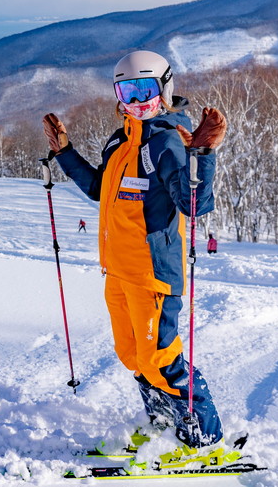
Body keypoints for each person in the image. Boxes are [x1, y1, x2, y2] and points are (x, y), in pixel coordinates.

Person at [42, 50, 230, 462]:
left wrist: (201, 155)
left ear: (165, 87)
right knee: (133, 356)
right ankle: (164, 424)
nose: (138, 98)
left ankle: (205, 438)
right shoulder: (122, 139)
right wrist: (65, 153)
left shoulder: (165, 140)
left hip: (152, 274)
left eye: (146, 89)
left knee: (161, 359)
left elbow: (193, 204)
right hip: (118, 271)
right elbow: (99, 189)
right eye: (129, 90)